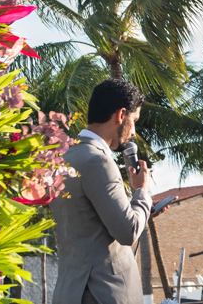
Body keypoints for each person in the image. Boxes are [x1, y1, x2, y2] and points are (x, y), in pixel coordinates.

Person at [51, 79, 152, 304]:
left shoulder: (64, 158)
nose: (134, 132)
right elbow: (128, 231)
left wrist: (143, 209)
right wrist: (142, 192)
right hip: (102, 293)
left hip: (70, 290)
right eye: (134, 121)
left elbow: (88, 223)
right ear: (121, 115)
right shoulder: (98, 161)